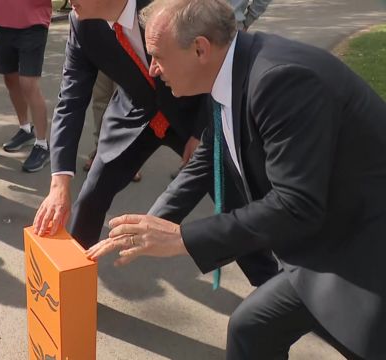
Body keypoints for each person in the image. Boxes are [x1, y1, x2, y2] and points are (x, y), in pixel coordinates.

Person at [87, 0, 386, 358]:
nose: (152, 70)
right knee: (251, 328)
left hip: (363, 252)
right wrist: (152, 223)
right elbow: (207, 158)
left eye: (158, 56)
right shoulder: (231, 70)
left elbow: (295, 206)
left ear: (200, 48)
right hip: (323, 243)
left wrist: (182, 238)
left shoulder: (280, 79)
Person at [33, 0, 278, 286]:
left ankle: (274, 288)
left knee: (230, 198)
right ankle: (73, 287)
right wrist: (59, 182)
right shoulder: (82, 22)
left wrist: (203, 132)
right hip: (135, 114)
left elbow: (216, 60)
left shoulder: (169, 6)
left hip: (193, 111)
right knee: (90, 196)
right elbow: (71, 98)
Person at [0, 0, 51, 172]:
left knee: (28, 84)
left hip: (33, 22)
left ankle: (42, 145)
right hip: (4, 21)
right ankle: (25, 129)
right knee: (10, 78)